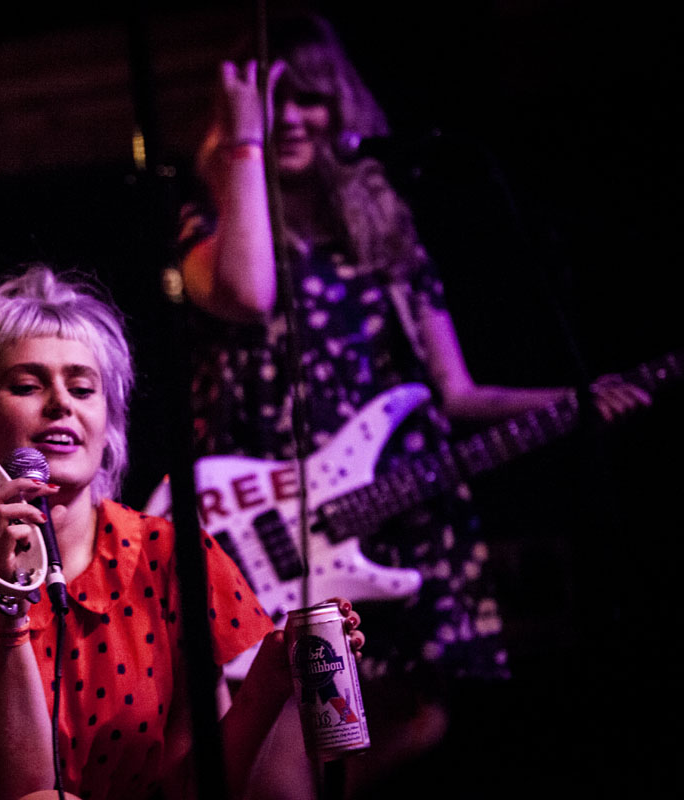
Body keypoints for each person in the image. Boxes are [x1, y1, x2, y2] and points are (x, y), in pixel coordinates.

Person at [176, 9, 651, 798]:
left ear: (344, 109)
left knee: (416, 713)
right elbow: (247, 291)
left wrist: (576, 401)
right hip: (270, 514)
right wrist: (243, 146)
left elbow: (456, 393)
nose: (292, 116)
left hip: (394, 513)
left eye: (311, 99)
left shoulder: (386, 235)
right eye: (274, 98)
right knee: (288, 714)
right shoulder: (210, 226)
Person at [0, 264, 365, 800]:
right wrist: (6, 608)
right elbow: (13, 792)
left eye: (83, 389)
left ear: (110, 428)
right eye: (28, 385)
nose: (61, 404)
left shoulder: (168, 554)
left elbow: (199, 787)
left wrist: (273, 677)